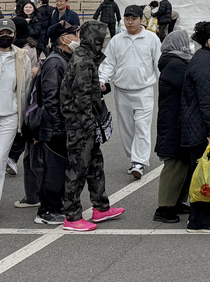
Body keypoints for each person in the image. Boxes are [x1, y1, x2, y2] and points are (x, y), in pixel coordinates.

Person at [61, 21, 125, 232]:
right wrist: (90, 125)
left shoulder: (88, 58)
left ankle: (100, 207)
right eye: (103, 37)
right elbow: (81, 99)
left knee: (95, 165)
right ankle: (71, 216)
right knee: (77, 169)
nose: (105, 40)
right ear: (94, 39)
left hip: (88, 123)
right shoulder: (82, 61)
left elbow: (87, 92)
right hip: (81, 125)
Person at [97, 5, 162, 180]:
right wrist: (102, 80)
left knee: (142, 126)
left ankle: (139, 162)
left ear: (142, 19)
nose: (130, 22)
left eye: (134, 18)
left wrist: (164, 84)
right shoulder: (117, 40)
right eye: (127, 18)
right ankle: (132, 158)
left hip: (144, 90)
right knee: (126, 128)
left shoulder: (152, 39)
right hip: (122, 91)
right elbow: (108, 63)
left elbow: (158, 64)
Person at [180, 22, 210, 233]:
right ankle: (199, 220)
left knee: (208, 172)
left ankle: (206, 214)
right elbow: (207, 98)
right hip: (201, 126)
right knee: (202, 173)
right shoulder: (203, 62)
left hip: (204, 124)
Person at [32, 22, 79, 225]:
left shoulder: (64, 59)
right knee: (54, 169)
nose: (78, 37)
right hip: (54, 127)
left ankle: (56, 205)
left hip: (60, 124)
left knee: (60, 167)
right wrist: (58, 126)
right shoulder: (55, 62)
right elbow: (51, 98)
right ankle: (46, 211)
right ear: (63, 39)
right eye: (74, 34)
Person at [153, 30, 194, 223]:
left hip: (178, 121)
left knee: (183, 163)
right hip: (174, 123)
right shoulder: (175, 64)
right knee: (174, 164)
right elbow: (192, 83)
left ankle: (176, 201)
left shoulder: (176, 62)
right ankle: (164, 208)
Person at [0, 19, 30, 210]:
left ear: (14, 36)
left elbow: (25, 88)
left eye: (8, 33)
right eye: (1, 33)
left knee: (0, 158)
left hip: (10, 116)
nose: (4, 36)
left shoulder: (22, 57)